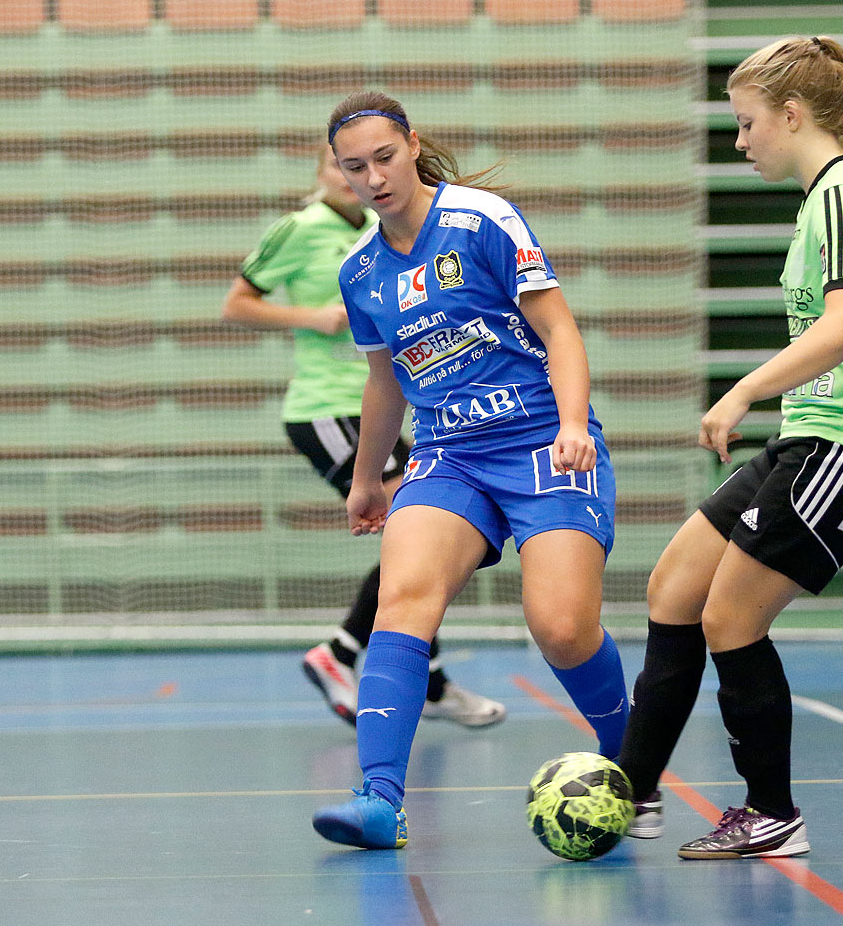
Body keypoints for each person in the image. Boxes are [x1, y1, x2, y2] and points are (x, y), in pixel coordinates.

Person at [615, 36, 843, 859]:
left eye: (747, 124)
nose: (740, 141)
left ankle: (772, 812)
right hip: (807, 437)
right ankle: (631, 793)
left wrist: (745, 387)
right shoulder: (820, 202)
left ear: (791, 114)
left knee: (730, 619)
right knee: (674, 585)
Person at [309, 92, 628, 851]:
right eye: (355, 168)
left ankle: (631, 757)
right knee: (402, 596)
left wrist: (575, 424)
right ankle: (379, 801)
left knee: (560, 625)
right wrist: (364, 479)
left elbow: (559, 327)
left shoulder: (481, 219)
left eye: (384, 157)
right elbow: (385, 380)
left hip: (543, 440)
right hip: (449, 453)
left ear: (412, 146)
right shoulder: (361, 273)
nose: (374, 177)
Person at [221, 146, 507, 730]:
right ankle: (351, 655)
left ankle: (411, 675)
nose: (357, 179)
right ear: (325, 175)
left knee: (419, 543)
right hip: (326, 409)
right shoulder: (300, 229)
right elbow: (237, 304)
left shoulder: (387, 232)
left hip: (376, 407)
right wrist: (314, 317)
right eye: (341, 167)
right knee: (420, 533)